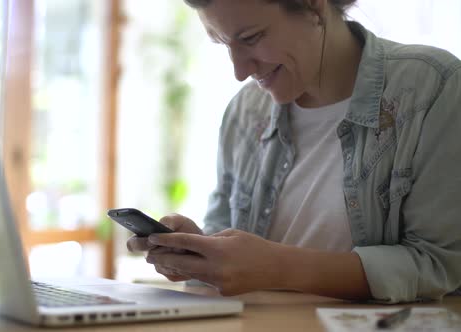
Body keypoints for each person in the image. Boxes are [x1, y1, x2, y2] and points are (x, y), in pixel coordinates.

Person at [127, 0, 461, 303]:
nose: (240, 70)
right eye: (224, 44)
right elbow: (224, 235)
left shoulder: (432, 88)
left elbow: (438, 264)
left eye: (251, 38)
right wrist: (198, 253)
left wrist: (278, 266)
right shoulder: (246, 112)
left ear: (313, 7)